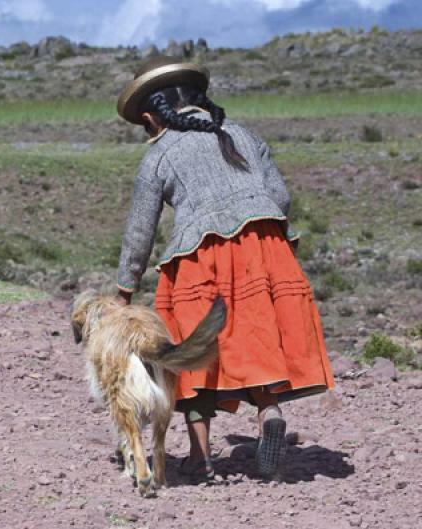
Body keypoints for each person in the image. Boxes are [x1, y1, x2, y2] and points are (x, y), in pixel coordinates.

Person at [114, 56, 334, 479]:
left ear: (150, 117)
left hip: (201, 254)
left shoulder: (160, 155)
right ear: (198, 98)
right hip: (263, 244)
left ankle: (200, 456)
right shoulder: (243, 134)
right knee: (255, 330)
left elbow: (140, 228)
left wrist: (125, 286)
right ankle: (267, 410)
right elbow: (279, 196)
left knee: (194, 348)